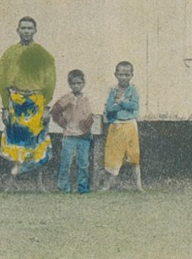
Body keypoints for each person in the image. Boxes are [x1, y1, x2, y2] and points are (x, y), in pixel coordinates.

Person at [0, 16, 56, 185]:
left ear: (35, 31)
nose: (26, 31)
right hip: (16, 102)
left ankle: (39, 183)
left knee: (38, 142)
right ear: (17, 30)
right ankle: (12, 183)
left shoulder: (44, 55)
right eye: (23, 28)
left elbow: (50, 82)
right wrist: (5, 108)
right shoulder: (9, 54)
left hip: (36, 102)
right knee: (16, 143)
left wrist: (46, 107)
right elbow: (2, 82)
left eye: (30, 28)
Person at [49, 70, 97, 194]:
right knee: (66, 162)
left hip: (84, 136)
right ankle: (63, 186)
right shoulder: (67, 98)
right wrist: (61, 121)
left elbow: (91, 115)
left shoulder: (86, 99)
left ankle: (83, 188)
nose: (76, 86)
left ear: (83, 83)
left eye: (79, 83)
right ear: (70, 84)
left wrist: (87, 125)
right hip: (70, 134)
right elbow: (54, 111)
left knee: (83, 163)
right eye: (74, 83)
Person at [101, 61, 143, 192]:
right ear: (116, 75)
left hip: (130, 124)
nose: (123, 77)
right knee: (112, 155)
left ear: (131, 75)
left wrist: (121, 103)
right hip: (116, 124)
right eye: (121, 74)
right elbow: (109, 107)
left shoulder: (133, 90)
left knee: (134, 156)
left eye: (127, 74)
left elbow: (134, 105)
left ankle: (138, 186)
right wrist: (122, 104)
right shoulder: (113, 90)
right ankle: (107, 185)